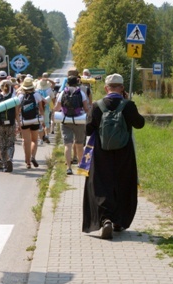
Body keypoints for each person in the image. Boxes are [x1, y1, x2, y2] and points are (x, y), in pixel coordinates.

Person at [82, 73, 145, 240]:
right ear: (122, 87)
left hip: (102, 153)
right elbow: (140, 124)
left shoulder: (97, 106)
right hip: (124, 153)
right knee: (123, 183)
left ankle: (105, 220)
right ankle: (119, 221)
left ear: (106, 88)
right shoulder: (128, 105)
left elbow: (88, 130)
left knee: (101, 185)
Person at [54, 75, 89, 175]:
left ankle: (69, 168)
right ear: (77, 82)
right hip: (79, 121)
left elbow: (57, 107)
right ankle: (80, 165)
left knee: (68, 145)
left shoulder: (62, 93)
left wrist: (55, 113)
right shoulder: (81, 93)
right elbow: (86, 108)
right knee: (79, 144)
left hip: (65, 121)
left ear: (67, 83)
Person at [17, 77, 45, 169]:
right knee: (34, 140)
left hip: (24, 120)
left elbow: (17, 110)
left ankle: (28, 162)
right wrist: (43, 119)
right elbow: (41, 108)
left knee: (26, 141)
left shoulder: (20, 96)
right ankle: (33, 157)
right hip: (35, 120)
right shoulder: (37, 95)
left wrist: (18, 122)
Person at [0, 79, 17, 172]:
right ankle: (10, 158)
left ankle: (5, 164)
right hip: (11, 123)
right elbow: (17, 113)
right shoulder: (14, 97)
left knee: (2, 144)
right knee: (10, 143)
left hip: (0, 123)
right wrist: (18, 124)